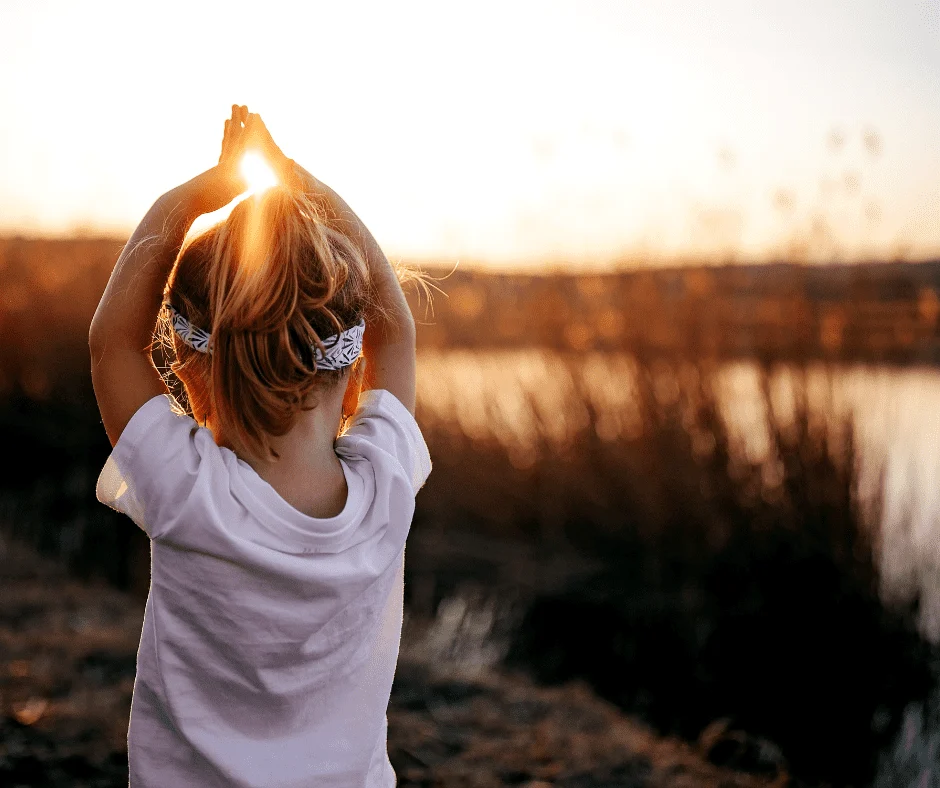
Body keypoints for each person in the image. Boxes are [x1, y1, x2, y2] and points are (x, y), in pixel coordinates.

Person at [89, 105, 432, 787]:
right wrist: (301, 183)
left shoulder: (187, 490)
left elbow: (111, 343)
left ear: (187, 362)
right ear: (350, 365)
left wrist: (190, 200)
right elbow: (396, 330)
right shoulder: (387, 484)